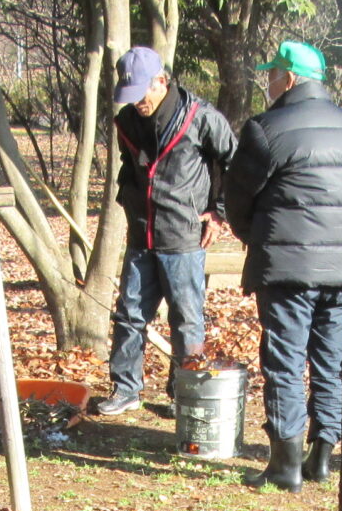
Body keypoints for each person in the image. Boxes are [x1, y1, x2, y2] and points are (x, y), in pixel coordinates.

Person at [222, 40, 342, 493]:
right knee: (330, 359)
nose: (268, 82)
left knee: (285, 361)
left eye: (272, 74)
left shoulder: (266, 129)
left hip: (289, 267)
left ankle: (285, 466)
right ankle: (321, 457)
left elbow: (237, 199)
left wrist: (257, 237)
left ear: (289, 79)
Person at [94, 46, 238, 417]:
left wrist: (219, 214)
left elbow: (235, 163)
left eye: (142, 92)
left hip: (184, 236)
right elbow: (129, 165)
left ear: (161, 81)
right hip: (141, 235)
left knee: (186, 319)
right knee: (128, 315)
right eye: (131, 95)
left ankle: (185, 395)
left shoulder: (201, 117)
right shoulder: (126, 121)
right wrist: (128, 200)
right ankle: (126, 389)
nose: (138, 102)